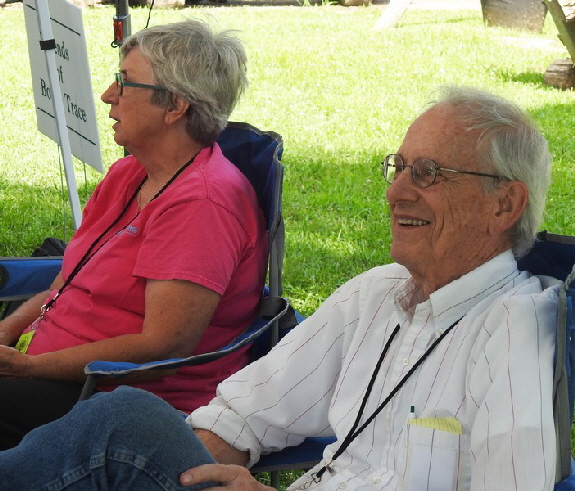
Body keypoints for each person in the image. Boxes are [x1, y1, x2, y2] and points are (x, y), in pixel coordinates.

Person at [0, 86, 560, 491]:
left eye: (427, 174)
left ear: (503, 205)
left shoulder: (515, 326)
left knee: (125, 420)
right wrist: (165, 472)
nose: (396, 193)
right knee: (128, 427)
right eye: (398, 167)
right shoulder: (376, 295)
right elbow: (245, 415)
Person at [0, 19, 267, 450]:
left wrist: (28, 369)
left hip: (118, 401)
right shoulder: (131, 171)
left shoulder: (202, 204)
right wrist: (9, 329)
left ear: (175, 105)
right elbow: (67, 283)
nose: (108, 96)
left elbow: (163, 346)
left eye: (124, 83)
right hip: (48, 369)